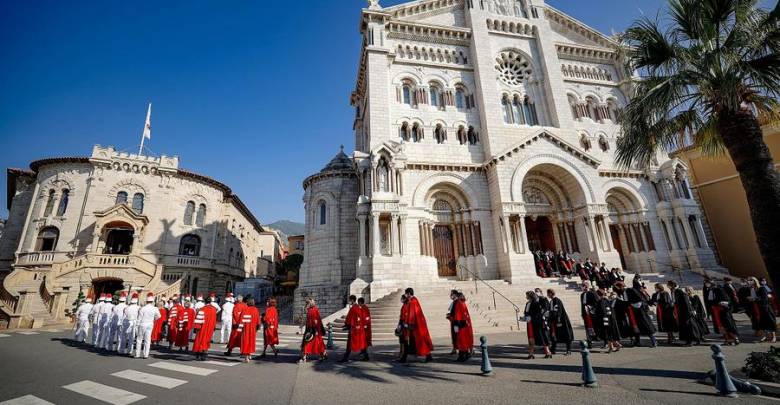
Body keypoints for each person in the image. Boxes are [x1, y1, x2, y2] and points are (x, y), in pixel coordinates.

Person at [398, 288, 434, 363]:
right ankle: (427, 356)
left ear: (408, 294)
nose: (405, 295)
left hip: (415, 326)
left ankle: (428, 356)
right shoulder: (413, 301)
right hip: (416, 324)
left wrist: (408, 324)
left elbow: (412, 314)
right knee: (415, 341)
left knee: (418, 340)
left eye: (406, 293)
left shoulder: (413, 301)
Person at [619, 282, 657, 347]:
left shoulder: (627, 291)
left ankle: (653, 341)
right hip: (637, 310)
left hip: (636, 310)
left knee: (643, 325)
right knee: (637, 326)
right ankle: (638, 341)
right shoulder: (630, 290)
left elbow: (627, 301)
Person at [668, 280, 702, 346]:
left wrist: (689, 312)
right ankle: (696, 340)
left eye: (669, 284)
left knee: (688, 327)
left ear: (672, 285)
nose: (668, 286)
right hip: (682, 312)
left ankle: (690, 342)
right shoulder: (675, 291)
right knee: (690, 327)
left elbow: (686, 303)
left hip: (685, 313)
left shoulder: (679, 291)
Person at [706, 280, 740, 345]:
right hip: (715, 310)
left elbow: (725, 300)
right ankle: (727, 340)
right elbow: (709, 301)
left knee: (727, 325)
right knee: (720, 326)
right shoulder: (710, 290)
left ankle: (735, 338)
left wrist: (718, 303)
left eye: (708, 283)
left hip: (722, 310)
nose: (707, 285)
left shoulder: (719, 289)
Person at [747, 277, 777, 343]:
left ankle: (773, 337)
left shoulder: (761, 288)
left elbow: (764, 299)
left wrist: (755, 299)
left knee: (770, 322)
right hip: (759, 308)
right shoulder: (753, 289)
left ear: (755, 281)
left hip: (766, 308)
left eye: (751, 280)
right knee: (763, 323)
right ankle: (765, 336)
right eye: (748, 280)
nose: (749, 281)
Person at [523, 290, 551, 359]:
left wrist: (531, 317)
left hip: (538, 323)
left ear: (530, 296)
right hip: (530, 323)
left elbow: (539, 312)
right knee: (531, 338)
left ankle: (548, 352)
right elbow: (526, 312)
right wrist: (525, 317)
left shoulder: (536, 302)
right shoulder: (528, 303)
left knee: (543, 337)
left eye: (527, 295)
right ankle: (531, 353)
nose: (526, 297)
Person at [340, 295, 368, 362]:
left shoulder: (353, 308)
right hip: (358, 328)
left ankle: (345, 358)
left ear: (352, 300)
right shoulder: (358, 307)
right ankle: (366, 356)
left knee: (349, 343)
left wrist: (347, 325)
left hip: (353, 329)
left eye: (349, 300)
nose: (349, 301)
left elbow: (350, 318)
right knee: (361, 342)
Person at [547, 289, 573, 355]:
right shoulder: (551, 301)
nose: (547, 295)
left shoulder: (557, 300)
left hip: (561, 321)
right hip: (554, 321)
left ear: (551, 293)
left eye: (548, 293)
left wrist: (558, 320)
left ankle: (568, 350)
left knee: (565, 335)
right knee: (553, 335)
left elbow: (558, 311)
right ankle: (553, 349)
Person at [300, 297, 327, 363]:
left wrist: (316, 330)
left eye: (307, 303)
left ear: (311, 303)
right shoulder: (311, 309)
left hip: (313, 329)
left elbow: (316, 321)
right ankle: (323, 354)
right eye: (306, 303)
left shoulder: (313, 310)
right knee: (315, 343)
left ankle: (305, 357)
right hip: (311, 329)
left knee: (311, 343)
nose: (306, 304)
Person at [192, 294, 218, 361]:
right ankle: (204, 353)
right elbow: (215, 319)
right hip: (210, 328)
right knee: (207, 340)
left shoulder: (202, 309)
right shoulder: (214, 310)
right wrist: (214, 327)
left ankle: (198, 353)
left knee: (200, 339)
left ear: (205, 302)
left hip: (202, 327)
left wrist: (196, 327)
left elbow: (198, 320)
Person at [135, 293, 161, 359]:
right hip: (150, 323)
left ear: (146, 301)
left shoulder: (143, 308)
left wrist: (137, 326)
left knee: (139, 339)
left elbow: (139, 318)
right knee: (148, 339)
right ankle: (146, 354)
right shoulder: (155, 308)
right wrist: (154, 319)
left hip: (142, 323)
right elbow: (159, 316)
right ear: (152, 301)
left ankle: (137, 354)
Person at [452, 292, 473, 362]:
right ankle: (466, 354)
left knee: (461, 340)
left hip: (461, 324)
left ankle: (462, 356)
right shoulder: (463, 303)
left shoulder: (458, 303)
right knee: (465, 340)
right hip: (465, 324)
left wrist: (456, 324)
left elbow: (457, 314)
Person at [579, 282, 598, 348]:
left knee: (593, 327)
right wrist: (582, 313)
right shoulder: (582, 295)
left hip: (591, 313)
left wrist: (590, 307)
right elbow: (582, 305)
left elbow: (596, 302)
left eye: (584, 286)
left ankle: (595, 339)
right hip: (585, 313)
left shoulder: (592, 293)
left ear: (587, 286)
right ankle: (589, 340)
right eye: (582, 286)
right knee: (587, 327)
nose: (583, 287)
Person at [446, 289, 459, 355]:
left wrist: (450, 316)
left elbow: (456, 313)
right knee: (454, 335)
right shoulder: (454, 302)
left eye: (451, 294)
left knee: (457, 335)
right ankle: (454, 348)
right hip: (454, 322)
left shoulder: (457, 302)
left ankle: (458, 348)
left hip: (456, 322)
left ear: (455, 294)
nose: (450, 295)